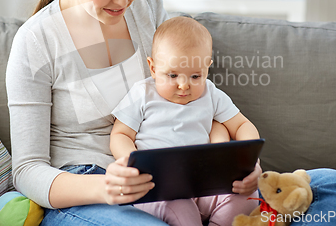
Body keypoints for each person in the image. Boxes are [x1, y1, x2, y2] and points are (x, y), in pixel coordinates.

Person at [5, 0, 336, 225]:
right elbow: (27, 169)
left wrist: (236, 161)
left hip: (181, 179)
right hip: (91, 192)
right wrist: (106, 189)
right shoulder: (36, 42)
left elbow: (201, 102)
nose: (123, 0)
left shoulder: (149, 11)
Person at [110, 16, 261, 226]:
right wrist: (134, 164)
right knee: (180, 209)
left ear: (207, 68)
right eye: (172, 75)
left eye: (195, 76)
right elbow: (120, 134)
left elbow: (242, 125)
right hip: (159, 187)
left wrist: (248, 159)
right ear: (153, 68)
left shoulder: (211, 94)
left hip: (204, 184)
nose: (184, 85)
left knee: (248, 197)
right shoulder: (142, 93)